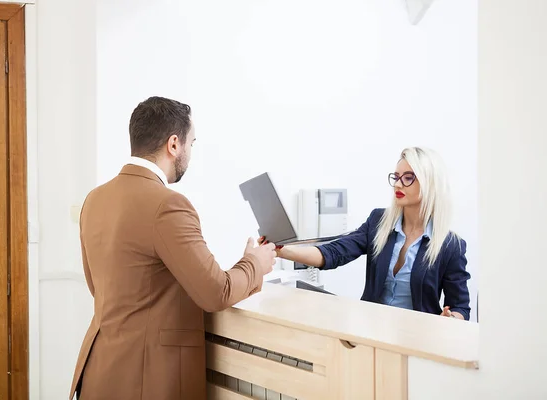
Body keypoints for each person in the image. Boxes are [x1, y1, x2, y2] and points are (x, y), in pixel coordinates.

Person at [69, 96, 277, 400]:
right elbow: (215, 292)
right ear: (174, 144)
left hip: (99, 372)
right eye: (192, 143)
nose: (191, 154)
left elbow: (100, 287)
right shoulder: (168, 205)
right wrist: (254, 262)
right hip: (147, 380)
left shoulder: (95, 199)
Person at [263, 147, 471, 320]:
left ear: (429, 183)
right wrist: (282, 250)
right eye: (396, 177)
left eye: (408, 178)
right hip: (372, 331)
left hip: (418, 341)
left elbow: (461, 307)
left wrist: (452, 318)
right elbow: (334, 253)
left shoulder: (450, 245)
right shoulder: (379, 222)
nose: (398, 184)